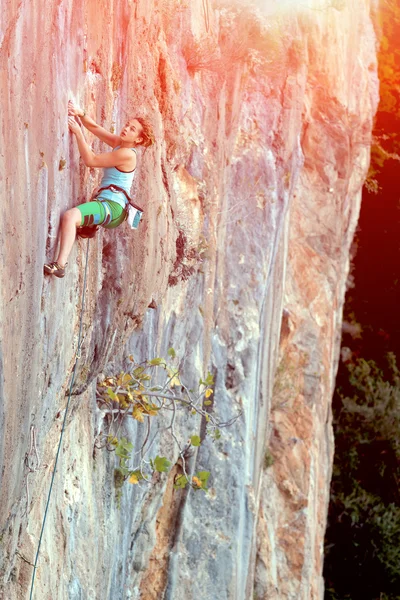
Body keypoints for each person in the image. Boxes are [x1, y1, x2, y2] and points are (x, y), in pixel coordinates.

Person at [44, 100, 154, 278]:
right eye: (127, 125)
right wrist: (81, 113)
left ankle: (60, 265)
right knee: (85, 208)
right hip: (108, 202)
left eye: (132, 129)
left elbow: (91, 161)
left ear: (139, 139)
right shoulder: (120, 143)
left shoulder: (127, 154)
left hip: (113, 207)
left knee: (70, 217)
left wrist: (79, 133)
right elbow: (95, 128)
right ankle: (89, 225)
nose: (126, 129)